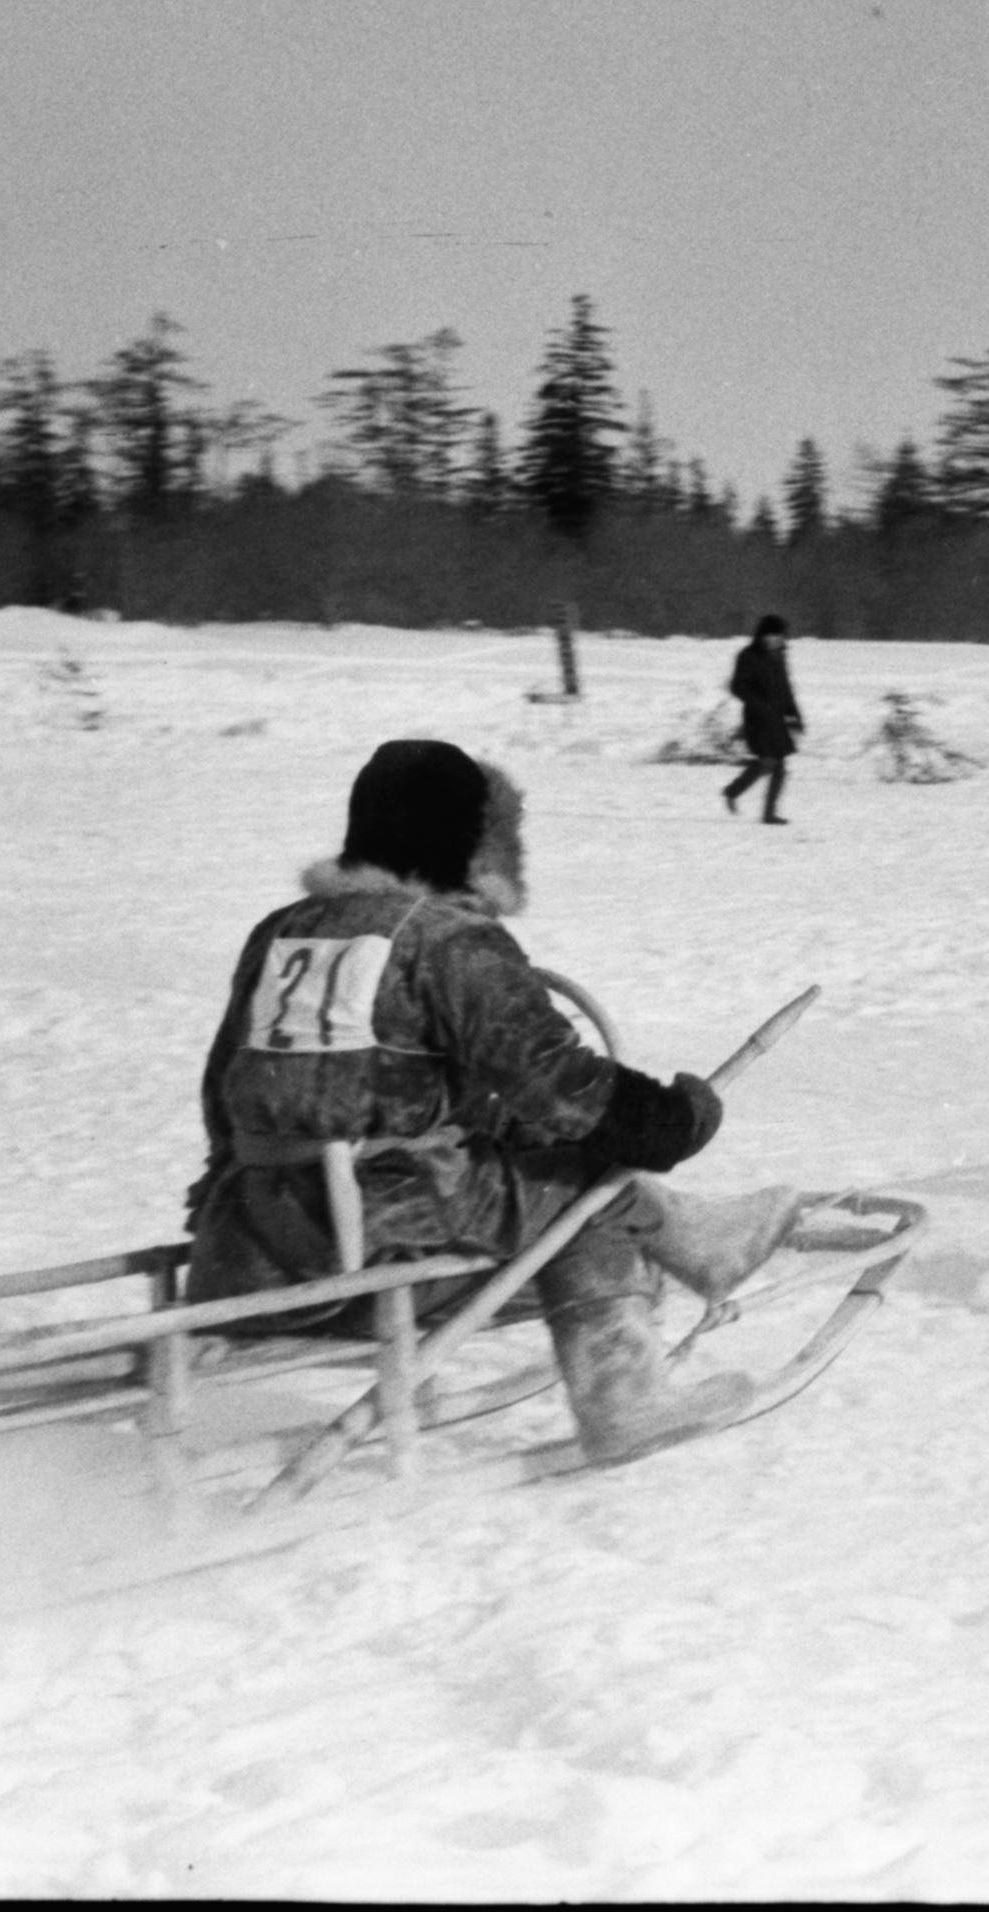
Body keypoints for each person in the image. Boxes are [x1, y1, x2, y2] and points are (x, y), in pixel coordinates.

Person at [184, 738, 802, 1466]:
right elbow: (563, 1088)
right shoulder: (450, 942)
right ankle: (626, 1394)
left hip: (253, 1235)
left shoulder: (282, 931)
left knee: (524, 1156)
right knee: (578, 1176)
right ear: (462, 840)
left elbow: (230, 1086)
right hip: (373, 1235)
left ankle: (698, 1239)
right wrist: (673, 1119)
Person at [721, 614, 802, 825]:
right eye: (776, 635)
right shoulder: (747, 656)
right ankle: (733, 792)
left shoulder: (780, 657)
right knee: (767, 761)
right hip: (757, 719)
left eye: (782, 635)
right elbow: (737, 686)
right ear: (764, 635)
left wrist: (794, 716)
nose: (781, 639)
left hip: (777, 719)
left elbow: (786, 689)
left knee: (779, 765)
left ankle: (768, 813)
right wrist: (758, 704)